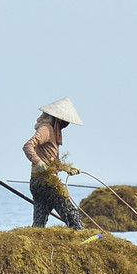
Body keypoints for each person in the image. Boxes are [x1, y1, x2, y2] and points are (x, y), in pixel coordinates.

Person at [22, 97, 85, 229]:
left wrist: (67, 168)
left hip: (37, 182)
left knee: (39, 223)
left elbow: (51, 161)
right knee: (73, 217)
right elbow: (28, 146)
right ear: (57, 119)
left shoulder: (50, 130)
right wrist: (37, 162)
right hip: (47, 184)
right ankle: (83, 242)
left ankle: (35, 245)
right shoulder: (47, 129)